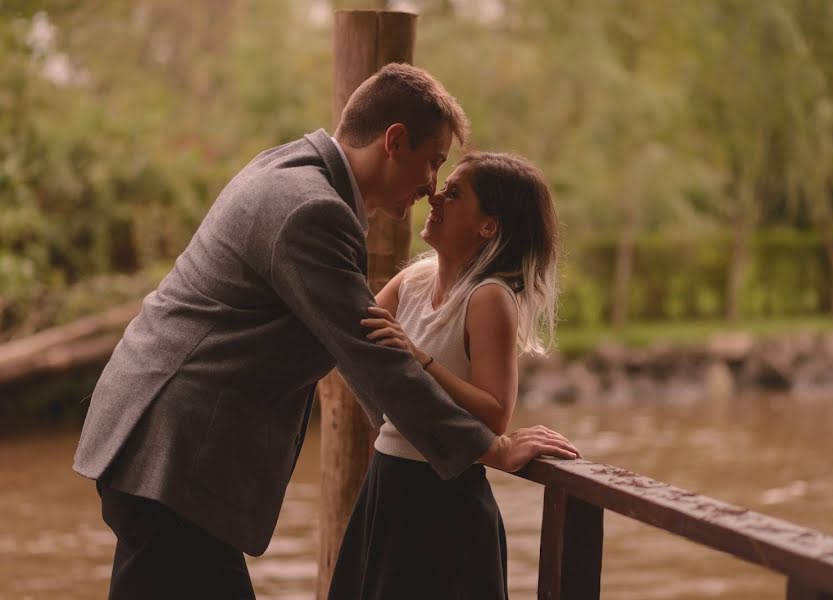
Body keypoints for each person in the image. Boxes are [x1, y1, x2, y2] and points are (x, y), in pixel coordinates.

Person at [73, 63, 579, 600]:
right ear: (395, 141)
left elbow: (365, 361)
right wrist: (492, 449)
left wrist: (411, 432)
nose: (432, 186)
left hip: (159, 445)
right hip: (173, 454)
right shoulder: (313, 209)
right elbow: (373, 357)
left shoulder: (291, 168)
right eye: (433, 163)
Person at [327, 151, 559, 600]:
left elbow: (494, 416)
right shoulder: (411, 281)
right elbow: (356, 350)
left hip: (445, 504)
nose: (434, 197)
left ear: (487, 226)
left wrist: (418, 358)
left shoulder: (489, 299)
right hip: (387, 485)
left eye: (454, 194)